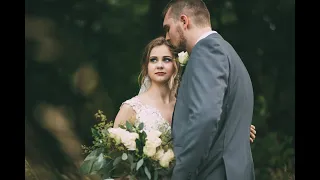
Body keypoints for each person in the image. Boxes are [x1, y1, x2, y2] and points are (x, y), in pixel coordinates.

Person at [113, 36, 256, 179]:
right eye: (153, 60)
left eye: (166, 59)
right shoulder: (131, 108)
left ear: (176, 64)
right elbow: (114, 157)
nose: (160, 65)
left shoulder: (188, 106)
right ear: (146, 66)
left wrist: (235, 129)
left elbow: (205, 130)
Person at [162, 0, 256, 180]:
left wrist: (181, 173)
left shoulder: (207, 51)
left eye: (168, 28)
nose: (167, 37)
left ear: (184, 21)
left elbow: (205, 117)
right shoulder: (226, 51)